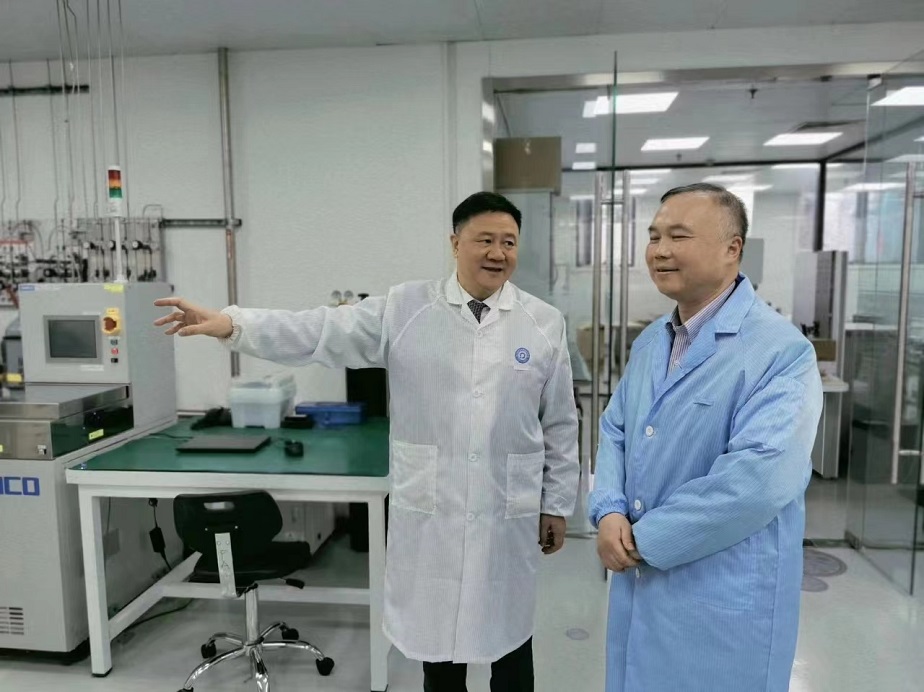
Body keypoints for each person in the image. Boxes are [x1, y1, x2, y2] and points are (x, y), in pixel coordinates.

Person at [154, 191, 579, 692]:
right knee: (439, 657)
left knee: (510, 652)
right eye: (485, 239)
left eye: (508, 242)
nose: (498, 253)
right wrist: (234, 325)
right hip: (435, 518)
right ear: (454, 243)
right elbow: (319, 330)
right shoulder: (406, 308)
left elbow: (559, 422)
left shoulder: (542, 322)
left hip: (505, 514)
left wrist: (556, 504)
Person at [589, 183, 822, 692]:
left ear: (732, 248)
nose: (660, 250)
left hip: (721, 596)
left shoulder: (781, 352)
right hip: (639, 578)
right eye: (654, 236)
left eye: (678, 236)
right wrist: (607, 510)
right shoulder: (651, 342)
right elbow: (615, 428)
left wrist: (643, 538)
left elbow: (758, 480)